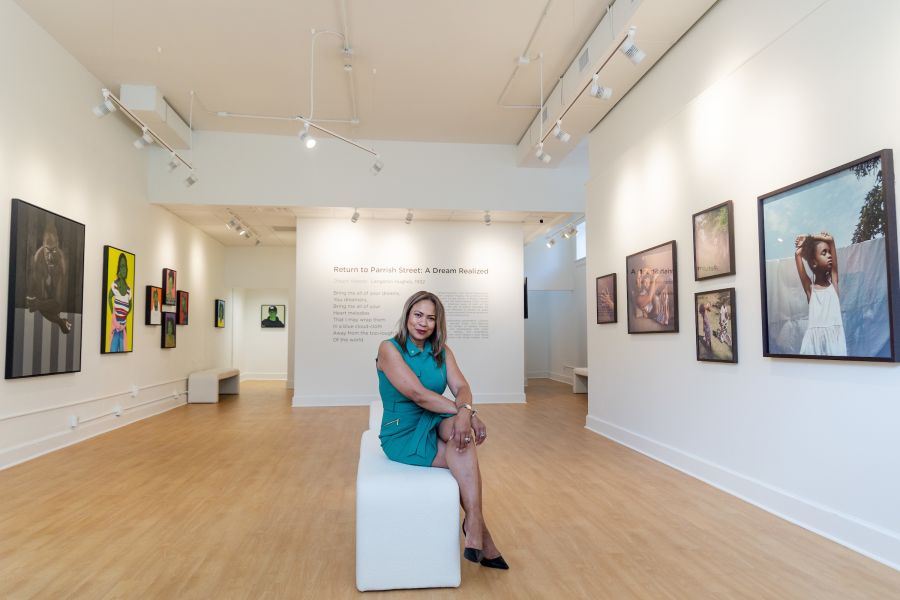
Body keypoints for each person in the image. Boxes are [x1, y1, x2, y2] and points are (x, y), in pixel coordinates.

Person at [376, 291, 508, 570]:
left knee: (462, 438)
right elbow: (418, 394)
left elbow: (462, 388)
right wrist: (467, 414)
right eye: (418, 315)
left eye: (431, 318)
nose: (423, 323)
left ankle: (472, 521)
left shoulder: (442, 352)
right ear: (407, 315)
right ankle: (482, 535)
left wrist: (466, 412)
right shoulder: (389, 348)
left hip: (435, 418)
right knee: (461, 445)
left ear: (438, 323)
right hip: (402, 431)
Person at [795, 231, 847, 355]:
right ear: (813, 262)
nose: (829, 255)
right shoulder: (810, 290)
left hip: (835, 343)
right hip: (814, 346)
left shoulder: (833, 285)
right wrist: (807, 242)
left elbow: (831, 239)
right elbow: (798, 254)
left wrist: (810, 237)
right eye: (824, 253)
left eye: (829, 252)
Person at [26, 222, 71, 333]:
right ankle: (61, 321)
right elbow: (41, 296)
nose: (50, 257)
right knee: (41, 305)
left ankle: (61, 321)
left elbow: (58, 303)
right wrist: (39, 303)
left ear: (58, 244)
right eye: (47, 250)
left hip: (57, 299)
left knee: (43, 306)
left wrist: (39, 304)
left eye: (53, 250)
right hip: (46, 297)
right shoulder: (38, 258)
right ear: (42, 245)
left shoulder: (62, 263)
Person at [107, 253, 132, 352]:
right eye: (122, 266)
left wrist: (124, 317)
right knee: (112, 350)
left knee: (123, 350)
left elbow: (130, 306)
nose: (124, 269)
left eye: (125, 266)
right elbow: (109, 298)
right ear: (118, 269)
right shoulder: (114, 285)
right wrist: (113, 314)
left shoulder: (129, 289)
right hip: (115, 326)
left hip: (123, 327)